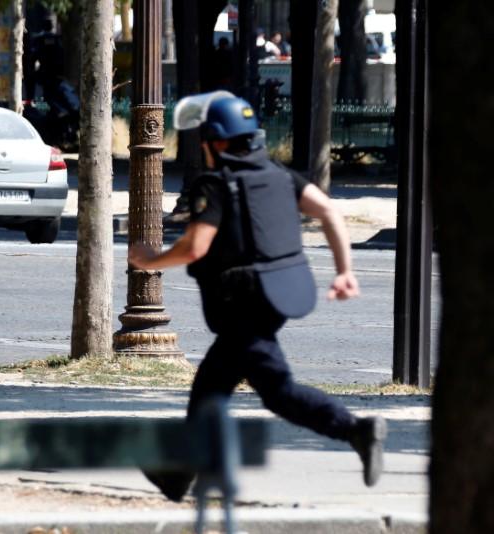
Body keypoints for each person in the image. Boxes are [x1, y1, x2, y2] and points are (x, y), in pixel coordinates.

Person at [131, 92, 387, 501]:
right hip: (272, 298)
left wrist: (150, 260)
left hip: (241, 307)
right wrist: (345, 272)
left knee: (278, 391)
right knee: (210, 387)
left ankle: (355, 429)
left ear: (214, 142)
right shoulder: (279, 175)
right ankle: (178, 474)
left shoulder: (215, 186)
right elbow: (330, 212)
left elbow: (197, 246)